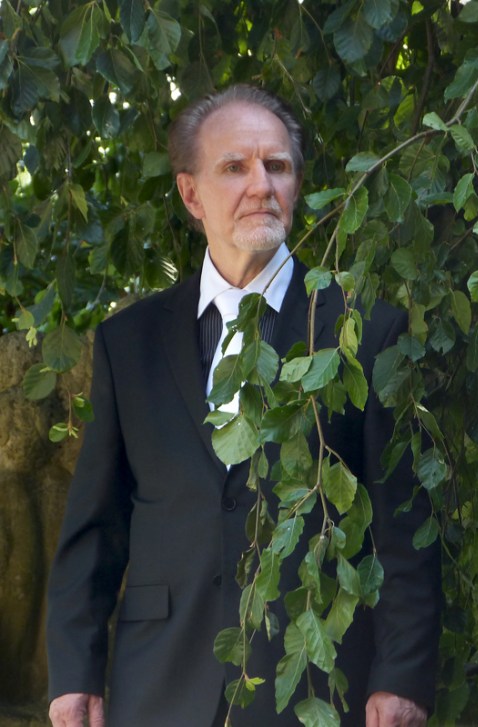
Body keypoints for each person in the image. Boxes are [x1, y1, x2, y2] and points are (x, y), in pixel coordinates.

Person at [45, 84, 440, 727]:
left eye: (277, 166)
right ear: (191, 194)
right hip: (158, 681)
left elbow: (403, 525)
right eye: (235, 167)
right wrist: (74, 671)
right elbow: (96, 525)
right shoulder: (129, 341)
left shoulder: (364, 332)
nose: (261, 184)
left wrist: (404, 677)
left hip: (317, 683)